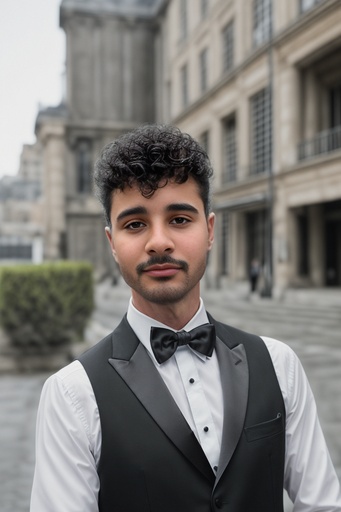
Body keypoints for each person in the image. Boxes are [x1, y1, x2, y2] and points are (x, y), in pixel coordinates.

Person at [30, 124, 341, 512]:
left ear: (210, 231)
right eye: (135, 224)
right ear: (112, 243)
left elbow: (323, 504)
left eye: (179, 219)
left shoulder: (280, 365)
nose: (159, 241)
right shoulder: (72, 394)